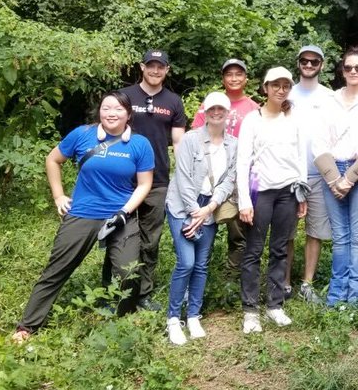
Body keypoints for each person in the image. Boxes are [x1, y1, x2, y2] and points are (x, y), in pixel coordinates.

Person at [13, 92, 154, 341]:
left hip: (121, 215)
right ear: (99, 112)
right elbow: (53, 159)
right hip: (83, 213)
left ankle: (122, 322)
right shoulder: (82, 135)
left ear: (128, 114)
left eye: (119, 109)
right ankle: (27, 326)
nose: (112, 113)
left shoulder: (140, 144)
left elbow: (144, 184)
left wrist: (124, 212)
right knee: (57, 269)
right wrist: (58, 196)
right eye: (106, 108)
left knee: (128, 273)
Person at [236, 67, 309, 333]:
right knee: (254, 250)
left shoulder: (295, 118)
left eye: (286, 86)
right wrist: (244, 200)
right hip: (260, 193)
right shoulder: (252, 120)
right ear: (265, 87)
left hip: (288, 192)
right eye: (275, 85)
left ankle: (275, 305)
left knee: (280, 249)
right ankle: (250, 310)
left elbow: (301, 157)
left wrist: (303, 193)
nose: (281, 90)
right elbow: (242, 161)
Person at [313, 47, 358, 306]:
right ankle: (336, 295)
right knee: (340, 236)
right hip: (332, 171)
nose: (353, 71)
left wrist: (349, 179)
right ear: (342, 70)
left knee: (357, 234)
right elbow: (318, 142)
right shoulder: (328, 101)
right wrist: (335, 179)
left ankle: (355, 297)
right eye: (348, 67)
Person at [165, 91, 238, 345]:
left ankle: (193, 314)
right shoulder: (190, 139)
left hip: (209, 206)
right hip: (181, 206)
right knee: (186, 262)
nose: (216, 114)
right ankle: (173, 318)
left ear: (228, 113)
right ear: (204, 112)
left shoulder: (233, 144)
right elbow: (183, 178)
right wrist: (194, 211)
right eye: (211, 110)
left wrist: (209, 209)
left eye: (221, 110)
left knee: (201, 263)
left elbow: (229, 179)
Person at [117, 49, 186, 310]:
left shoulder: (173, 101)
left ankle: (143, 293)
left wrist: (181, 174)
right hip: (124, 178)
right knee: (119, 234)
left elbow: (178, 140)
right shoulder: (125, 96)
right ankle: (118, 290)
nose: (155, 71)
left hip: (157, 180)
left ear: (167, 70)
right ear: (142, 67)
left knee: (150, 239)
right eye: (151, 66)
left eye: (161, 67)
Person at [189, 58, 258, 293]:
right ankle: (199, 276)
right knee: (201, 227)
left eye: (239, 74)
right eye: (229, 74)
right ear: (223, 79)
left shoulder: (252, 108)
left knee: (238, 232)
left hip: (238, 178)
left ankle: (231, 278)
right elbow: (195, 136)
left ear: (246, 79)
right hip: (206, 178)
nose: (234, 78)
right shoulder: (212, 104)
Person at [288, 44, 335, 304]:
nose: (308, 65)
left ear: (321, 65)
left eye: (314, 61)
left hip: (318, 173)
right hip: (289, 174)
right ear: (298, 63)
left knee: (315, 231)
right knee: (287, 232)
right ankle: (283, 282)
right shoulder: (287, 93)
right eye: (304, 61)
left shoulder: (330, 97)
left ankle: (307, 283)